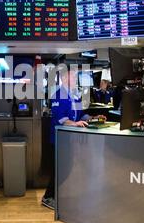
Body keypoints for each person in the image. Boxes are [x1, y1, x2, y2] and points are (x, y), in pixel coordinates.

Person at [42, 69, 106, 210]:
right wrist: (74, 123)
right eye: (73, 76)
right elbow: (61, 118)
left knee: (66, 168)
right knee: (59, 169)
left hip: (70, 139)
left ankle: (54, 195)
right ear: (64, 78)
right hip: (59, 139)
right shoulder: (58, 95)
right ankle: (48, 197)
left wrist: (93, 118)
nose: (75, 79)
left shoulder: (74, 95)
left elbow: (80, 115)